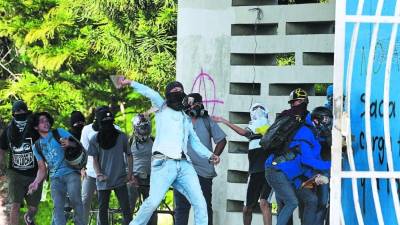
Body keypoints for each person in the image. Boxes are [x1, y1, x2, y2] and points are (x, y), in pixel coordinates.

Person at [117, 77, 220, 225]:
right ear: (168, 94)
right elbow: (150, 92)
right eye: (174, 90)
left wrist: (210, 155)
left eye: (180, 90)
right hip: (164, 163)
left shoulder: (185, 116)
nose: (178, 92)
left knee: (200, 203)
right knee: (153, 202)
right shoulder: (161, 106)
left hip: (184, 165)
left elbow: (195, 142)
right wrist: (130, 83)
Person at [264, 88, 331, 225]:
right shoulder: (304, 130)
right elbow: (307, 159)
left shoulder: (310, 131)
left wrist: (315, 176)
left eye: (299, 101)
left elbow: (306, 159)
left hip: (292, 175)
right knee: (291, 202)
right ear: (316, 120)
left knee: (311, 200)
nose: (297, 105)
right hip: (277, 171)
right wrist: (332, 165)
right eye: (294, 102)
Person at [212, 103, 272, 225]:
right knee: (247, 209)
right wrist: (224, 121)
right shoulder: (252, 130)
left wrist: (224, 121)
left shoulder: (270, 128)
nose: (258, 111)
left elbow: (244, 132)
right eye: (255, 109)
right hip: (255, 173)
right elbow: (245, 132)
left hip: (269, 171)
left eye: (260, 108)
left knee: (264, 203)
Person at [174, 93, 227, 225]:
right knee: (181, 208)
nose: (195, 106)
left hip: (203, 171)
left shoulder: (207, 120)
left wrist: (213, 157)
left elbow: (221, 140)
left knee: (203, 207)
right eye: (192, 104)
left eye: (197, 104)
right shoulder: (180, 120)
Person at [28, 112, 84, 225]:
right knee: (58, 207)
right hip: (55, 178)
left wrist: (69, 143)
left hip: (71, 172)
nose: (46, 123)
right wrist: (36, 182)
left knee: (76, 201)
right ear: (35, 127)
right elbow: (42, 168)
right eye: (42, 121)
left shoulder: (59, 132)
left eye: (47, 120)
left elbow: (79, 146)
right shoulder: (36, 146)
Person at [87, 108, 133, 225]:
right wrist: (98, 174)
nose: (108, 124)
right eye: (104, 122)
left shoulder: (121, 136)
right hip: (103, 180)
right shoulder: (95, 139)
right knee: (103, 211)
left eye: (109, 121)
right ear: (100, 123)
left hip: (120, 179)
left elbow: (129, 155)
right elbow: (95, 160)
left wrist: (129, 174)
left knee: (126, 210)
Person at [0, 100, 42, 225]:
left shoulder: (34, 128)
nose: (20, 113)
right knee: (15, 205)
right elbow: (1, 148)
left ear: (27, 111)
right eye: (17, 111)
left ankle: (28, 217)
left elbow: (44, 143)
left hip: (34, 173)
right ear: (13, 114)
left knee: (33, 208)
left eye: (23, 111)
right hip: (15, 173)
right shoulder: (8, 130)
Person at [80, 106, 117, 225]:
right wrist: (82, 167)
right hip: (90, 171)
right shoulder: (87, 130)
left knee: (103, 203)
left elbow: (119, 152)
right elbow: (83, 150)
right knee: (85, 199)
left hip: (107, 172)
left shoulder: (116, 129)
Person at [127, 113, 157, 225]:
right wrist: (130, 177)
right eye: (142, 128)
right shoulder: (130, 142)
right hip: (134, 179)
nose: (144, 130)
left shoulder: (154, 141)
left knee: (152, 208)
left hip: (150, 179)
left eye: (146, 127)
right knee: (129, 207)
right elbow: (124, 162)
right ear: (136, 128)